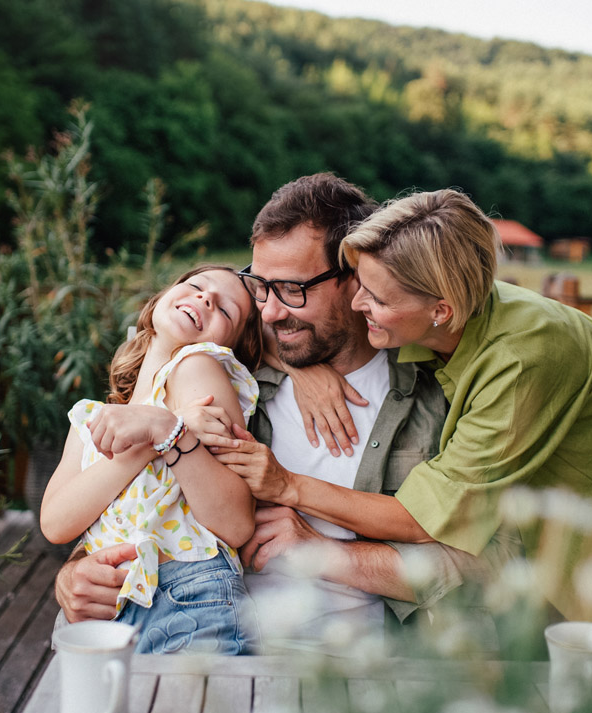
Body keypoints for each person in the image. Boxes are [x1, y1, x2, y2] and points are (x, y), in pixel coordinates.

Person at [54, 175, 482, 650]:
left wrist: (324, 551)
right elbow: (140, 497)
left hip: (358, 666)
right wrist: (76, 572)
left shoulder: (439, 396)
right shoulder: (230, 377)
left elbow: (483, 565)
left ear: (355, 278)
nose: (272, 313)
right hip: (201, 638)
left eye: (293, 290)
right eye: (260, 287)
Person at [258, 187, 592, 624]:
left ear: (441, 311)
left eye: (375, 298)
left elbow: (423, 518)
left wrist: (287, 487)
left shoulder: (522, 357)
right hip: (535, 484)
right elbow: (252, 311)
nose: (360, 304)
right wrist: (299, 365)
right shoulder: (416, 307)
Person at [40, 265, 264, 654]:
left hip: (189, 594)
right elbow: (56, 523)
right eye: (195, 286)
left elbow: (236, 523)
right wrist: (158, 434)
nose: (206, 298)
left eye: (226, 311)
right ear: (160, 299)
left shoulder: (196, 367)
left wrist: (167, 431)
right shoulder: (92, 418)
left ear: (233, 344)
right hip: (103, 605)